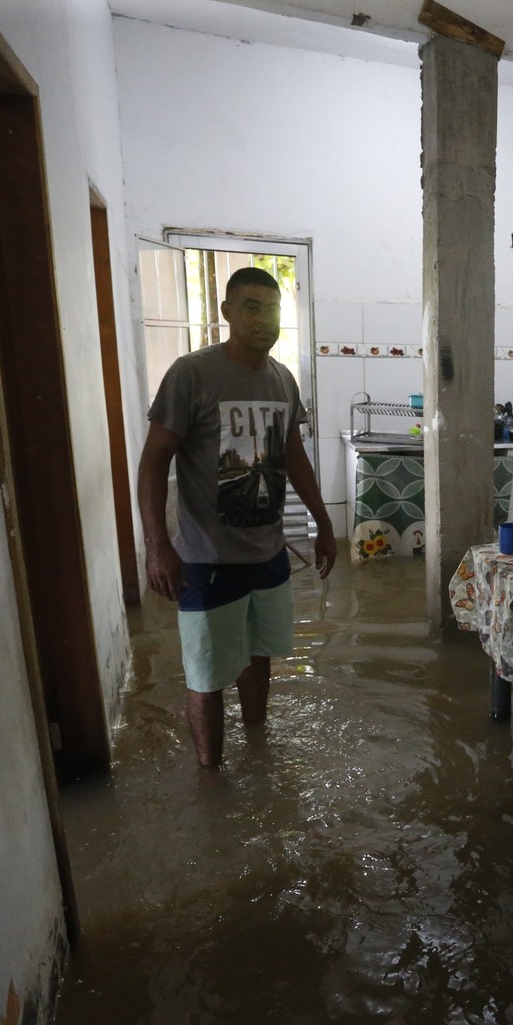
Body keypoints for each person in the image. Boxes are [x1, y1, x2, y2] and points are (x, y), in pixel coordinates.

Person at [137, 266, 337, 768]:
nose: (263, 319)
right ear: (226, 313)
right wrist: (157, 546)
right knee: (205, 674)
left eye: (271, 309)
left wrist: (324, 524)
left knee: (258, 654)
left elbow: (294, 456)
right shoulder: (192, 373)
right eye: (251, 307)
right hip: (206, 557)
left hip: (268, 552)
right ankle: (211, 782)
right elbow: (153, 460)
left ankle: (258, 750)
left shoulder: (281, 378)